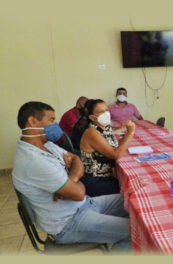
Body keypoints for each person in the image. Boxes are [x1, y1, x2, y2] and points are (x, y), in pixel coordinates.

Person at [12, 101, 132, 252]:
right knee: (134, 232)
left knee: (133, 200)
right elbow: (78, 193)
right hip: (68, 223)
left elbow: (77, 159)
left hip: (84, 204)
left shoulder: (47, 145)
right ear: (32, 121)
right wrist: (74, 182)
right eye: (51, 120)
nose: (56, 125)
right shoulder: (32, 161)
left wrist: (72, 179)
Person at [79, 99, 136, 197]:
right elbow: (115, 155)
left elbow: (116, 146)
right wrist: (130, 133)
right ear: (92, 118)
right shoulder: (91, 132)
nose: (106, 113)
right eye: (101, 112)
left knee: (135, 182)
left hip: (108, 176)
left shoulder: (106, 128)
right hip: (95, 180)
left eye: (106, 110)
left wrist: (126, 136)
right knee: (132, 190)